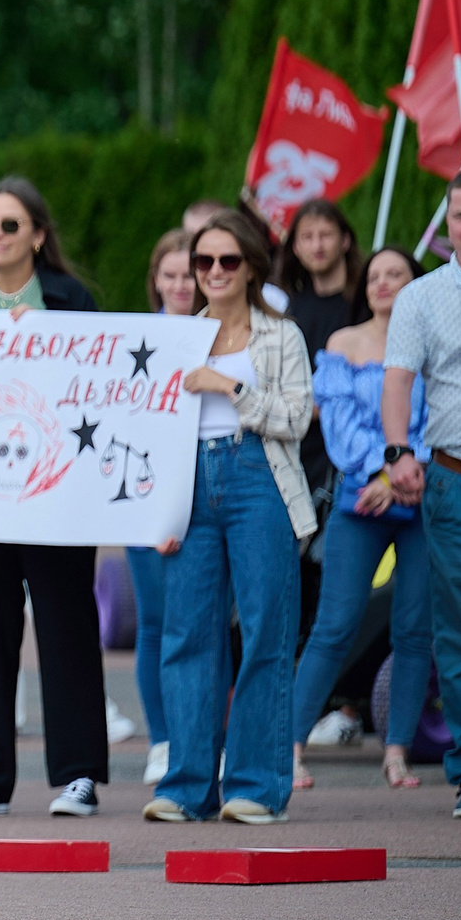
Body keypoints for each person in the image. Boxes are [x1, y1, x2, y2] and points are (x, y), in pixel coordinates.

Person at [0, 176, 108, 819]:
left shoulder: (70, 298)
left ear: (37, 233)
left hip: (57, 496)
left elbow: (100, 387)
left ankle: (79, 774)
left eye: (9, 225)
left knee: (66, 631)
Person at [146, 210, 316, 824]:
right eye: (203, 261)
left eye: (227, 261)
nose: (213, 272)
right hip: (189, 482)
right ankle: (185, 787)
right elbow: (145, 428)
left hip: (259, 480)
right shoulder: (174, 337)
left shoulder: (282, 335)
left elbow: (298, 420)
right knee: (187, 633)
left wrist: (229, 388)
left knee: (268, 630)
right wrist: (157, 509)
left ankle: (255, 787)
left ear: (250, 267)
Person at [297, 245, 430, 791]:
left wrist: (404, 473)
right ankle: (290, 748)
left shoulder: (434, 345)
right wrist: (383, 473)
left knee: (415, 630)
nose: (383, 283)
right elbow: (339, 430)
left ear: (415, 283)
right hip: (361, 503)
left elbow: (446, 414)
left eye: (396, 273)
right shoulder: (342, 345)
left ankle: (396, 752)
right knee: (334, 626)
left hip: (422, 501)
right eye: (374, 275)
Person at [382, 169, 461, 820]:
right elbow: (398, 383)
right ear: (447, 224)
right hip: (457, 479)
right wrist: (398, 451)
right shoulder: (420, 297)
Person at [129, 228, 198, 783]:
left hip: (209, 497)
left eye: (188, 274)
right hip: (143, 498)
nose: (180, 285)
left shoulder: (223, 334)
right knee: (155, 622)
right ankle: (161, 741)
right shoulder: (132, 339)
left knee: (202, 624)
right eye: (169, 275)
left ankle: (200, 738)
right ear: (154, 279)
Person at [274, 199, 369, 360]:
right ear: (296, 247)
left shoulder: (366, 301)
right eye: (307, 237)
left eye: (326, 235)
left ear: (345, 241)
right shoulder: (291, 308)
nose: (317, 246)